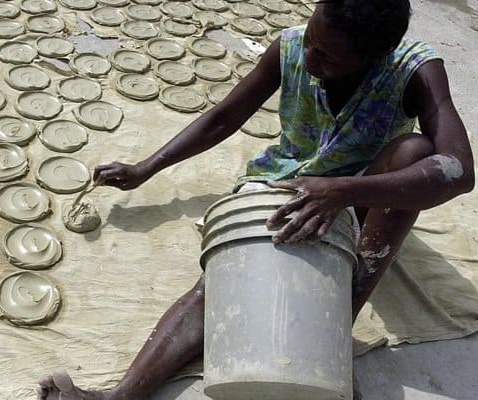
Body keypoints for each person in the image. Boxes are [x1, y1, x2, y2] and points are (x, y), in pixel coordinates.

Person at [37, 0, 475, 399]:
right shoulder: (287, 49)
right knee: (224, 284)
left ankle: (335, 327)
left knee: (416, 152)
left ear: (373, 58)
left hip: (366, 193)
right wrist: (145, 168)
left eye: (326, 56)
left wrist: (342, 191)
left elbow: (459, 171)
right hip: (288, 181)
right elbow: (223, 117)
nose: (309, 58)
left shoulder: (413, 69)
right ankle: (120, 397)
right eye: (310, 41)